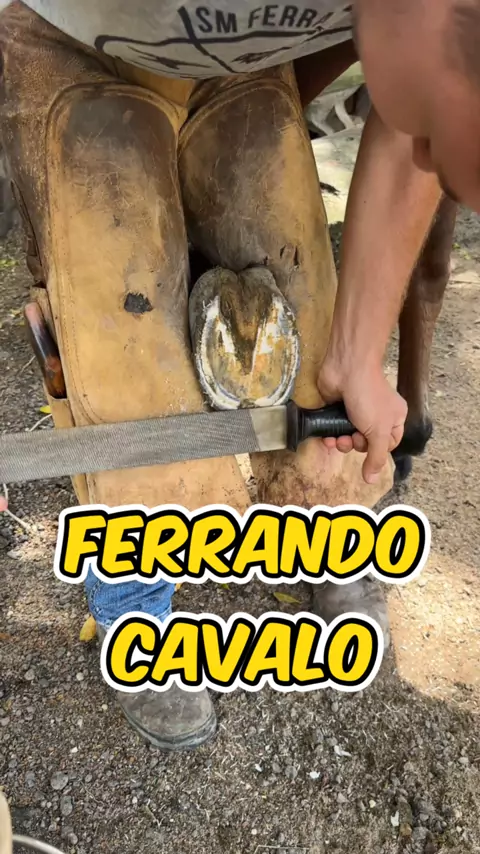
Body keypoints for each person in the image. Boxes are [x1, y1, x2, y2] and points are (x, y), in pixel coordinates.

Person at [0, 0, 472, 751]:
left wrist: (356, 356)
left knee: (302, 313)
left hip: (243, 66)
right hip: (71, 40)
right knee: (123, 351)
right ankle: (134, 606)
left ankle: (326, 532)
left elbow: (426, 97)